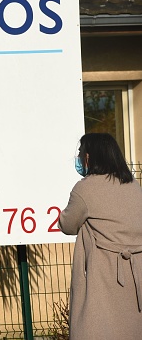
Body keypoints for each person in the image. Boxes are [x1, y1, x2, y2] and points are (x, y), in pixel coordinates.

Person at [59, 133, 142, 340]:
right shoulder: (133, 185)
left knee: (98, 326)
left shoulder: (85, 188)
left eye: (80, 153)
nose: (78, 158)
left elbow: (67, 224)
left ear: (89, 157)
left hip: (103, 272)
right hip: (136, 271)